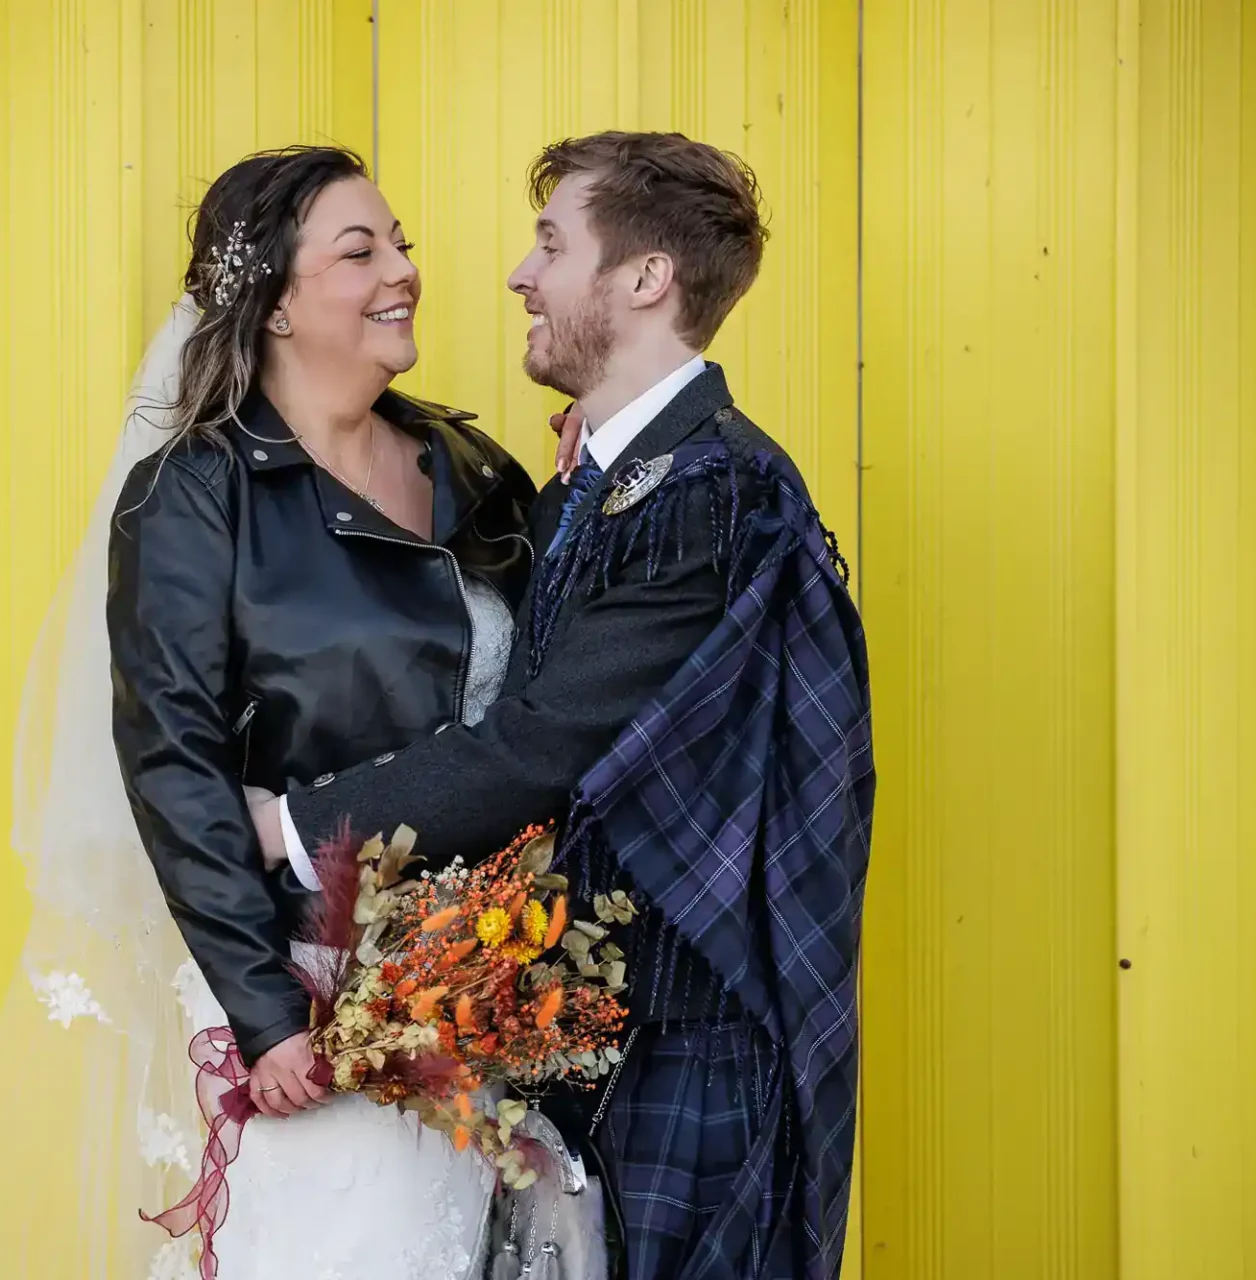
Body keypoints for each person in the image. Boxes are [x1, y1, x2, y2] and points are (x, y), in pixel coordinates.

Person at [0, 143, 600, 1280]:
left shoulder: (474, 468)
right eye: (361, 251)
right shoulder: (194, 498)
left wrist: (582, 496)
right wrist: (266, 1017)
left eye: (401, 243)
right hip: (312, 993)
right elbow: (174, 762)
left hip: (489, 986)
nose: (402, 269)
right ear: (274, 305)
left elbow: (546, 702)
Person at [249, 131, 875, 1279]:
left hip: (689, 1049)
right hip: (594, 1042)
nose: (519, 275)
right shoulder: (621, 477)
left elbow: (539, 744)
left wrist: (289, 826)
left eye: (551, 244)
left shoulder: (714, 493)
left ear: (645, 278)